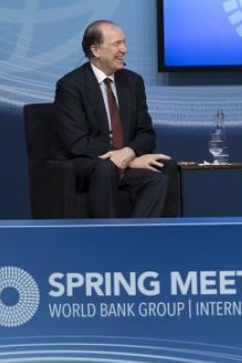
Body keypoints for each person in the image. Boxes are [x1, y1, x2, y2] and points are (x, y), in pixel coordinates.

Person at [54, 19, 171, 217]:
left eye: (124, 42)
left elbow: (146, 133)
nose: (124, 49)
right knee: (106, 168)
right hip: (88, 163)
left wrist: (130, 151)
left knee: (158, 178)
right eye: (117, 44)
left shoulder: (133, 82)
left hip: (119, 159)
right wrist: (126, 159)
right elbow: (77, 143)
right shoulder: (71, 85)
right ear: (96, 50)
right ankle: (107, 240)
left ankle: (137, 238)